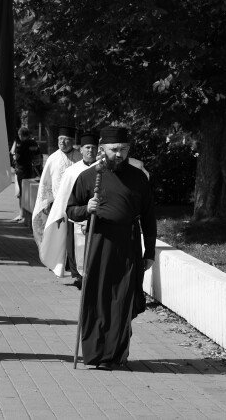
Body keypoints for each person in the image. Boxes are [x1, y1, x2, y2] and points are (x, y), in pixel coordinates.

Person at [66, 126, 156, 370]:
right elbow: (71, 210)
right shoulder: (88, 177)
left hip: (128, 244)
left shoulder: (138, 178)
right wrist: (87, 209)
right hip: (99, 243)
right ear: (102, 149)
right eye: (114, 149)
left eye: (124, 149)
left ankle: (114, 355)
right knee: (97, 298)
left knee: (122, 299)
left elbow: (149, 217)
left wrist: (149, 252)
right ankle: (95, 353)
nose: (119, 154)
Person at [38, 131, 99, 287]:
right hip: (75, 214)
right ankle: (78, 276)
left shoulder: (102, 169)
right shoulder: (72, 170)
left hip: (96, 215)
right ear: (81, 149)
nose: (90, 151)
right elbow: (63, 195)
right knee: (74, 246)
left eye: (93, 148)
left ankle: (93, 276)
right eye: (87, 147)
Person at [31, 126, 82, 246]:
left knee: (72, 238)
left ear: (72, 141)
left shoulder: (80, 158)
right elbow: (45, 183)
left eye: (65, 139)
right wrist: (46, 202)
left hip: (76, 204)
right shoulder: (52, 158)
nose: (62, 142)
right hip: (56, 205)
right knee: (56, 239)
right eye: (60, 139)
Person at [11, 127, 42, 225]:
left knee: (22, 194)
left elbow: (16, 156)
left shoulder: (22, 144)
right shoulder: (34, 143)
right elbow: (39, 156)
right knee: (32, 193)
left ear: (20, 135)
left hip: (22, 171)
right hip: (34, 171)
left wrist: (14, 153)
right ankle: (29, 216)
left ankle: (22, 215)